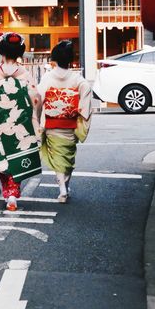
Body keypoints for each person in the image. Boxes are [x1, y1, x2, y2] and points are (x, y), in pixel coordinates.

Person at [0, 33, 42, 211]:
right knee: (17, 158)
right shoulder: (25, 74)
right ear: (20, 53)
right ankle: (12, 195)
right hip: (20, 124)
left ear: (1, 52)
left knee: (2, 156)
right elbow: (35, 98)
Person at [38, 40, 92, 203]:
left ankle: (63, 188)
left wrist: (38, 116)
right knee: (67, 158)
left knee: (59, 157)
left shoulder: (48, 77)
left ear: (54, 59)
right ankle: (63, 189)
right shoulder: (77, 80)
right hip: (70, 124)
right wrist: (77, 112)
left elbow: (38, 99)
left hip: (52, 124)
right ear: (70, 59)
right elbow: (86, 96)